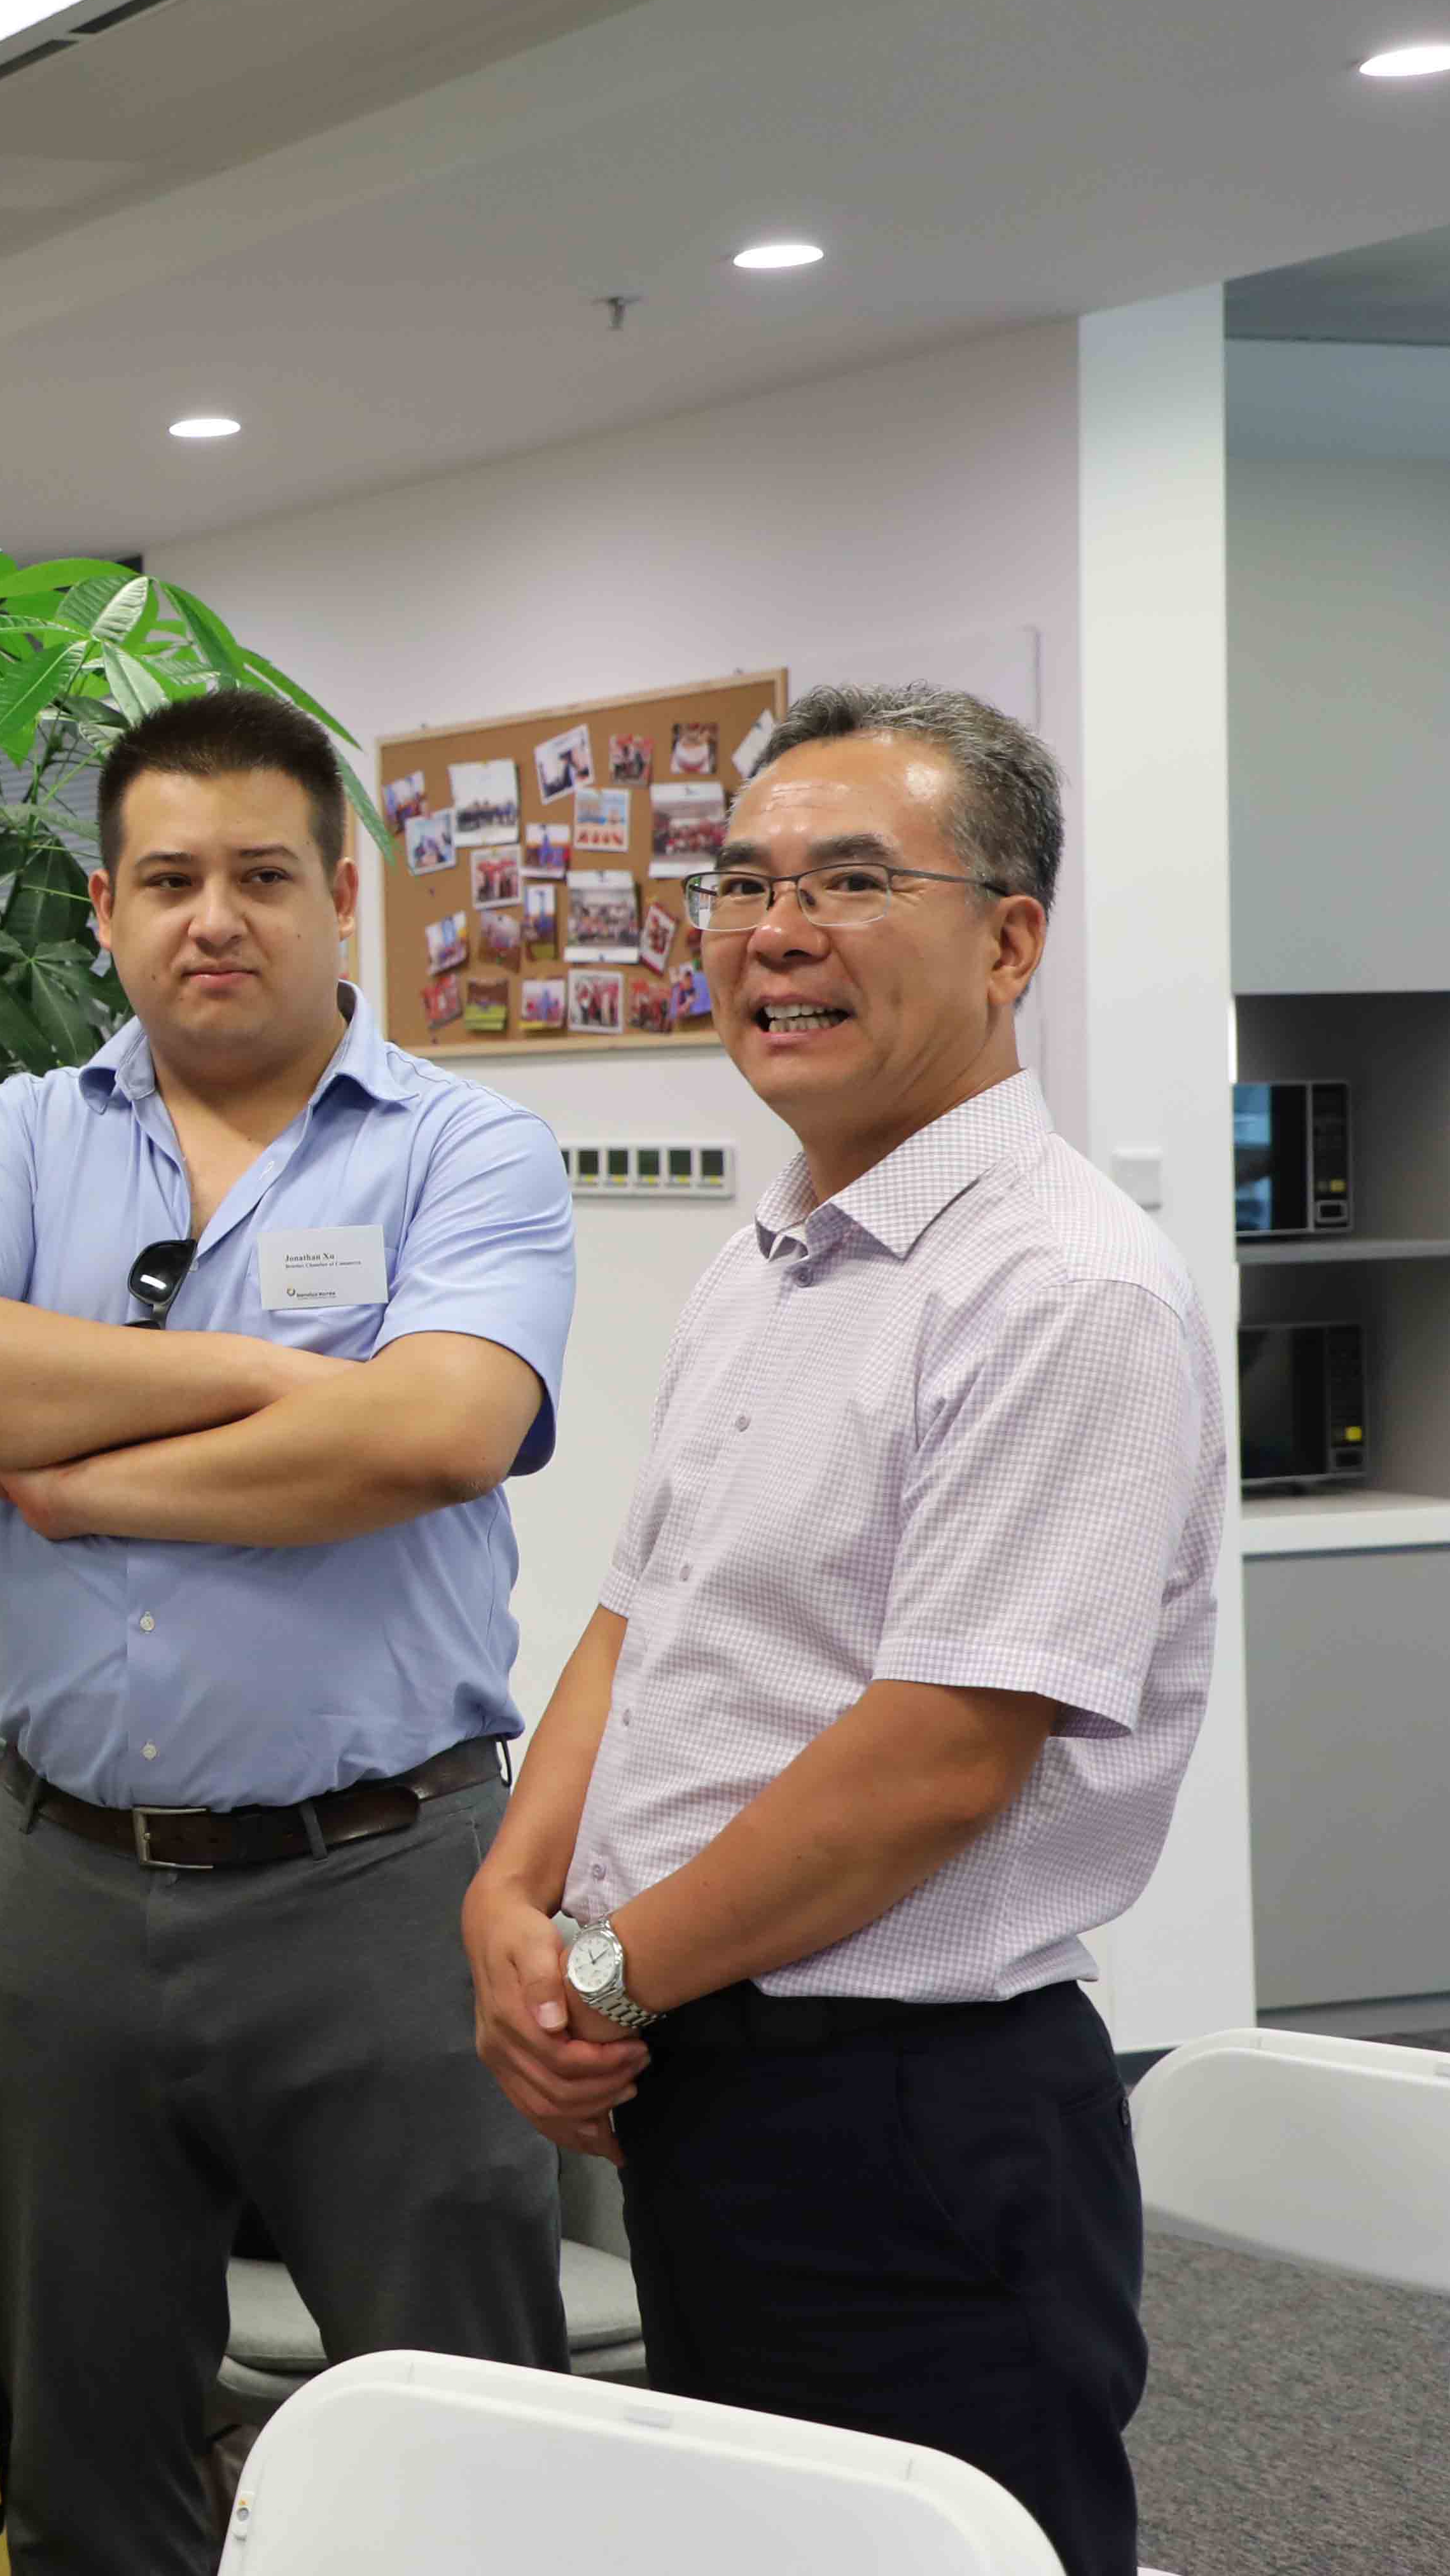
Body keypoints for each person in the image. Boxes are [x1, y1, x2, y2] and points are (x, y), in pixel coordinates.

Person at [461, 685, 1216, 2576]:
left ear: (1009, 941)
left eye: (851, 882)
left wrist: (604, 1975)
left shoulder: (1060, 1288)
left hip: (906, 2111)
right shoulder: (770, 1255)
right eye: (740, 885)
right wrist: (509, 1894)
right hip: (705, 2064)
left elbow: (936, 1758)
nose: (774, 932)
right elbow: (639, 1618)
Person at [0, 688, 579, 2574]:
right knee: (83, 2467)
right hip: (56, 1893)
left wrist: (81, 1474)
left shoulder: (466, 1148)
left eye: (261, 875)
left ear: (342, 896)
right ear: (104, 908)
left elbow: (437, 1434)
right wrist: (269, 1381)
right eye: (168, 879)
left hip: (385, 1889)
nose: (214, 918)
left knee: (464, 2457)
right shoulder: (20, 1136)